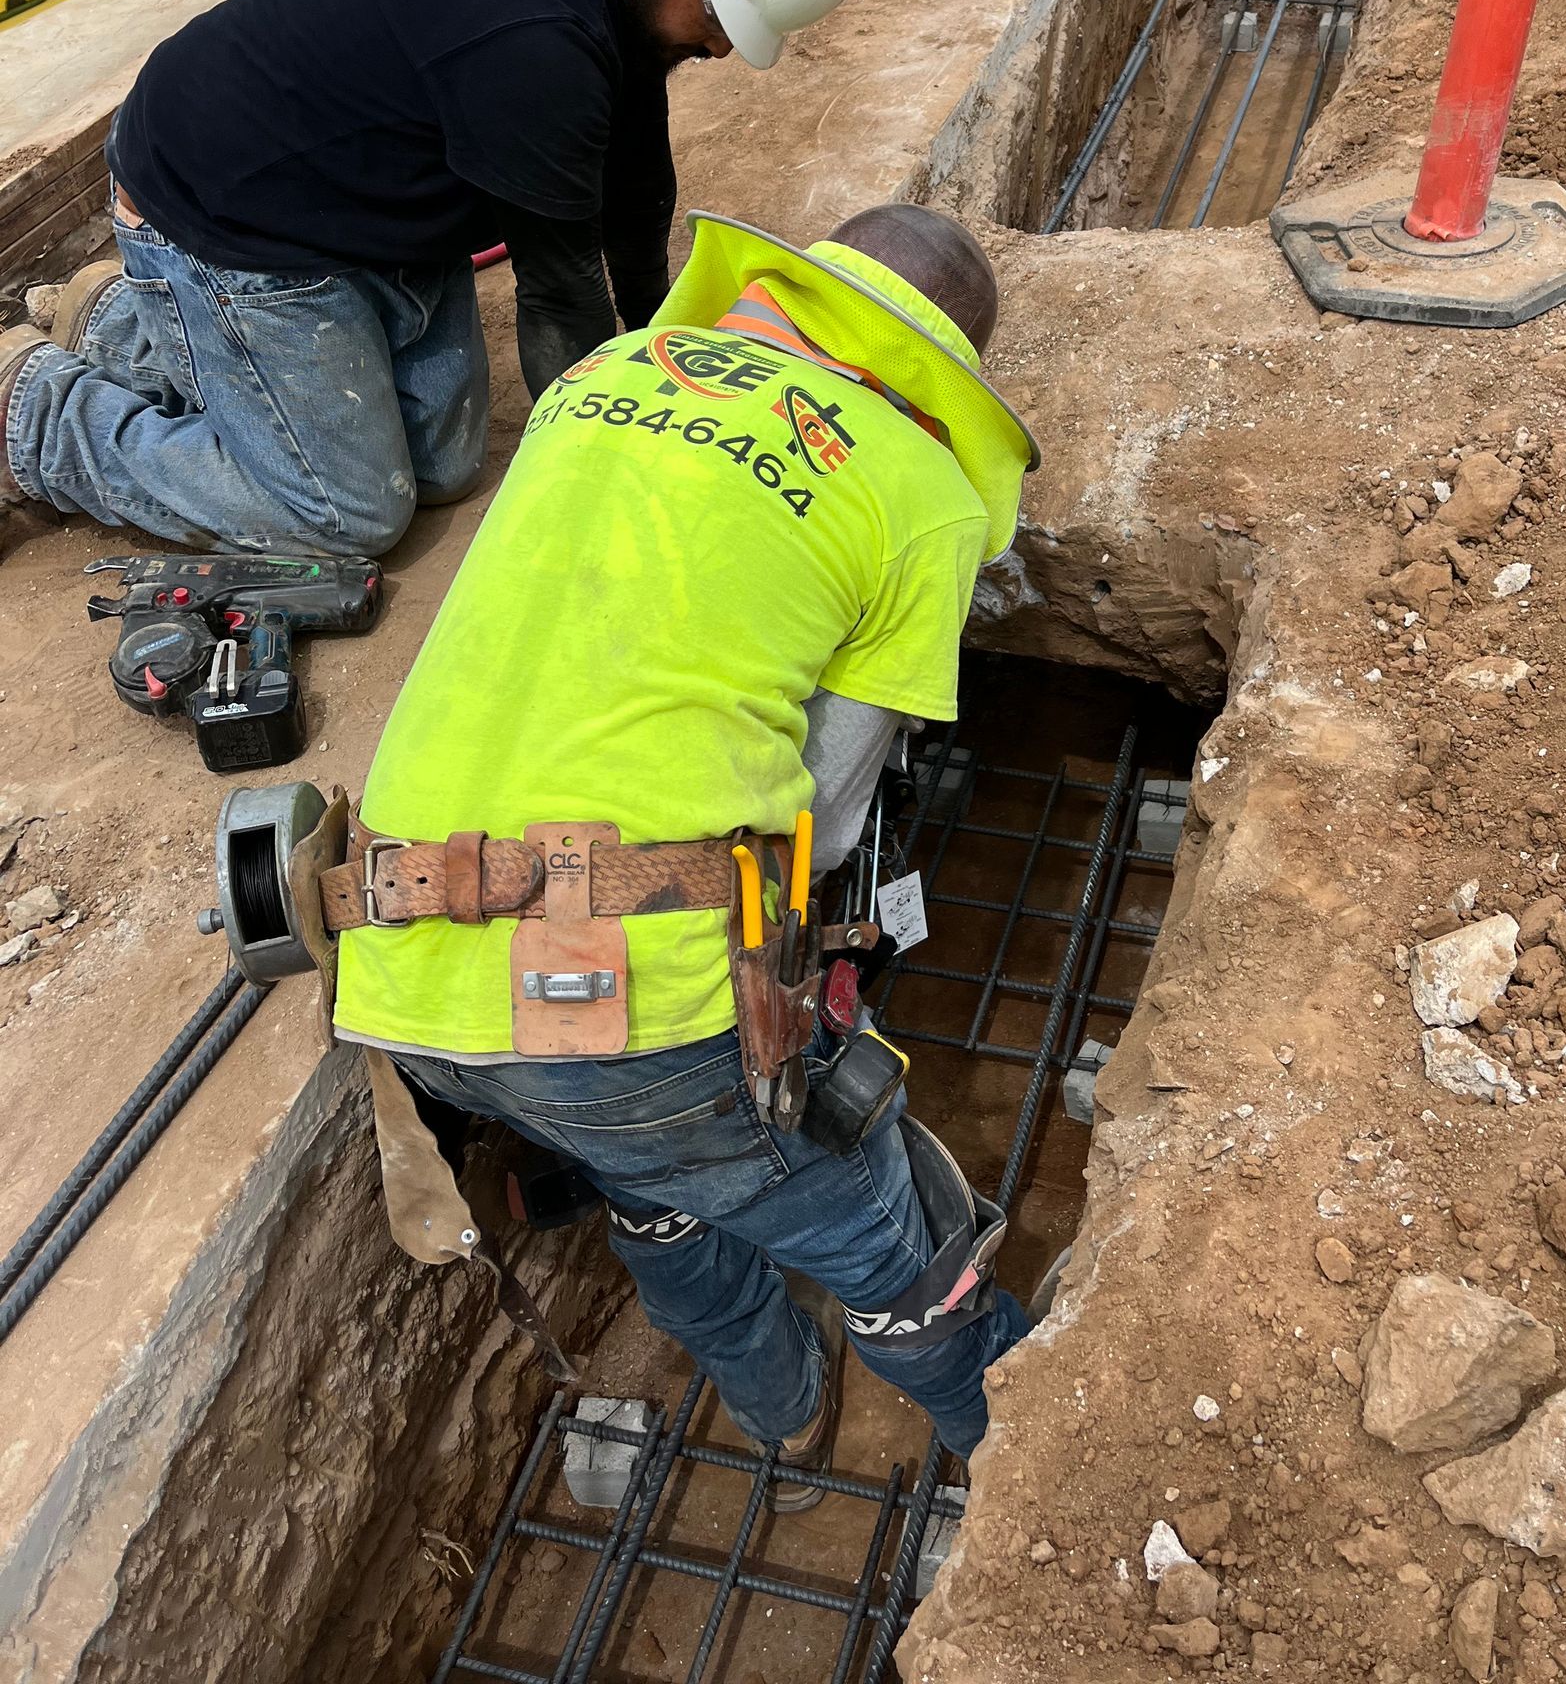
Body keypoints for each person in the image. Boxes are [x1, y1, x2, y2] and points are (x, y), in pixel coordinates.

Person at [328, 203, 1039, 1496]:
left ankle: (782, 1409)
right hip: (642, 1005)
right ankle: (1029, 1468)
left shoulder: (606, 374)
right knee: (888, 1233)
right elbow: (821, 797)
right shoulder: (918, 486)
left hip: (399, 961)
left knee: (649, 1178)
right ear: (941, 377)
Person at [0, 0, 881, 556]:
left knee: (445, 464)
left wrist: (661, 346)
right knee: (348, 512)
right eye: (724, 18)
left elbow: (636, 172)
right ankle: (36, 410)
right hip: (226, 211)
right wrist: (607, 472)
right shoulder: (536, 34)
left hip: (359, 201)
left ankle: (120, 321)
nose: (724, 51)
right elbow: (561, 290)